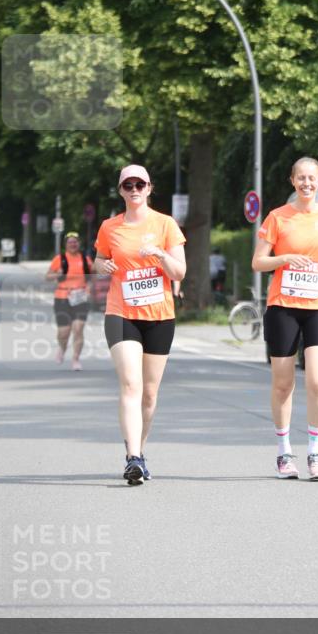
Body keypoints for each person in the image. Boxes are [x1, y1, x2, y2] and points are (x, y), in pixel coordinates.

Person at [252, 157, 318, 481]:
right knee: (283, 383)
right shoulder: (277, 218)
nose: (307, 183)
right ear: (293, 181)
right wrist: (284, 258)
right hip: (283, 306)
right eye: (301, 178)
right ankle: (284, 454)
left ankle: (315, 453)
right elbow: (258, 262)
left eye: (312, 178)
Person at [93, 165, 186, 486]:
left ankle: (140, 449)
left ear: (149, 188)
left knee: (149, 393)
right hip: (121, 314)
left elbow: (179, 273)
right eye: (127, 185)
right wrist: (102, 265)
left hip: (160, 316)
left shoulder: (165, 224)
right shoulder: (109, 227)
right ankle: (133, 458)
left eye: (139, 184)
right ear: (120, 190)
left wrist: (160, 253)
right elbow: (99, 260)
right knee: (131, 385)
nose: (134, 189)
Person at [45, 232, 92, 370]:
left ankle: (76, 359)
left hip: (80, 298)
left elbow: (92, 276)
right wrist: (56, 274)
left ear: (79, 244)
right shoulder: (59, 259)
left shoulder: (85, 259)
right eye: (70, 242)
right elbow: (47, 276)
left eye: (75, 242)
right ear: (65, 245)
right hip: (62, 297)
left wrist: (89, 288)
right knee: (64, 332)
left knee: (78, 329)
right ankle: (62, 347)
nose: (73, 244)